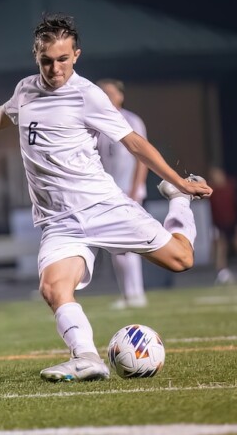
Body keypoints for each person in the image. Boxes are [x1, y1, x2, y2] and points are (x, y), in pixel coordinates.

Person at [0, 14, 212, 382]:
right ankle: (87, 358)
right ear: (36, 57)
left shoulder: (88, 95)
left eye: (63, 59)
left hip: (103, 206)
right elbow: (6, 113)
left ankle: (177, 200)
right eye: (47, 61)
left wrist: (180, 183)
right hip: (60, 223)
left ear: (76, 55)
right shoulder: (26, 90)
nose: (55, 68)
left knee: (181, 259)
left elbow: (135, 144)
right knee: (52, 288)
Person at [96, 78, 149, 309]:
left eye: (109, 92)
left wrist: (135, 189)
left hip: (128, 191)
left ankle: (137, 293)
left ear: (120, 95)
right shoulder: (96, 122)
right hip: (108, 193)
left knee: (130, 244)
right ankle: (128, 294)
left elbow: (142, 157)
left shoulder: (132, 120)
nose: (105, 97)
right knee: (116, 248)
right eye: (101, 93)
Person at [207, 166, 237, 284]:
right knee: (221, 247)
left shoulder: (232, 187)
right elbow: (212, 211)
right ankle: (221, 273)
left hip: (234, 222)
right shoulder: (212, 191)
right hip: (220, 224)